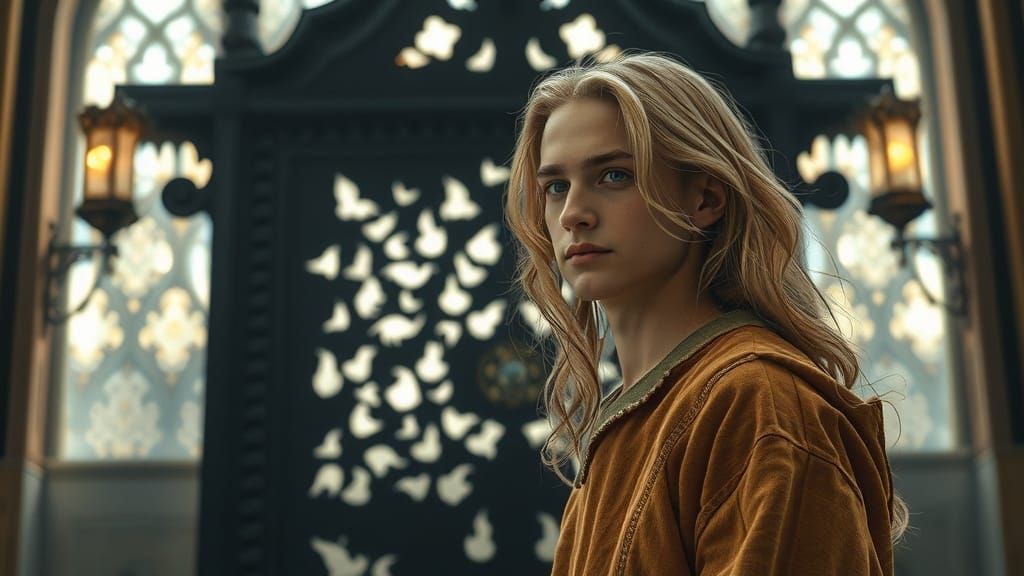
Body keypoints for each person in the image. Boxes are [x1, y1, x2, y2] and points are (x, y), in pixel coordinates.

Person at [504, 52, 910, 575]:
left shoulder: (759, 404)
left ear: (705, 198)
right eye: (556, 185)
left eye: (613, 175)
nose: (572, 213)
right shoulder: (632, 419)